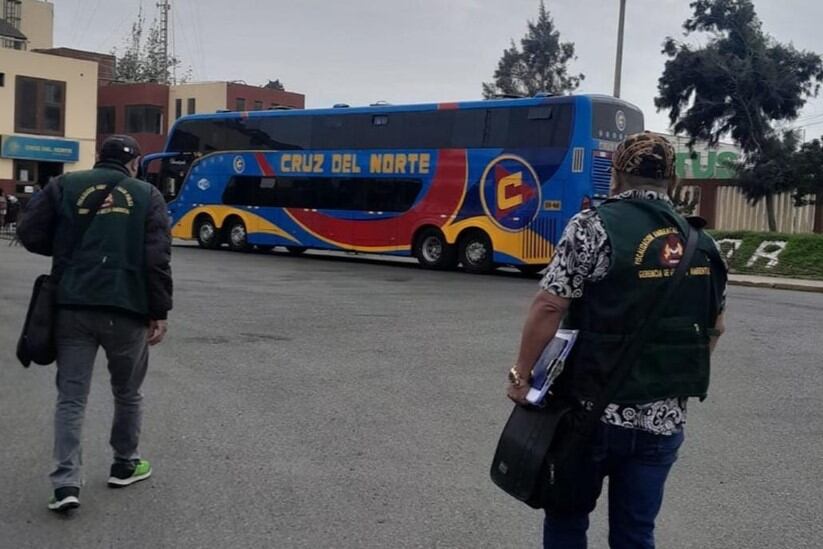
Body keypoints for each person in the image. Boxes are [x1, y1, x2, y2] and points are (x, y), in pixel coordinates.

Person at [505, 133, 727, 549]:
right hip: (663, 420)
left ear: (617, 175)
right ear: (672, 179)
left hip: (588, 416)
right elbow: (716, 326)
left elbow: (549, 307)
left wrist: (522, 375)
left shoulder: (591, 227)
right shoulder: (704, 244)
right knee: (636, 532)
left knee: (568, 518)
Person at [17, 135, 173, 513]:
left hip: (73, 305)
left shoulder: (63, 184)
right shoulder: (148, 196)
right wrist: (159, 311)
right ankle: (125, 463)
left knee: (71, 397)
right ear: (134, 162)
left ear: (98, 157)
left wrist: (70, 248)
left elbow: (29, 232)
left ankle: (65, 483)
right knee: (127, 391)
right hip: (128, 307)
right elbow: (156, 259)